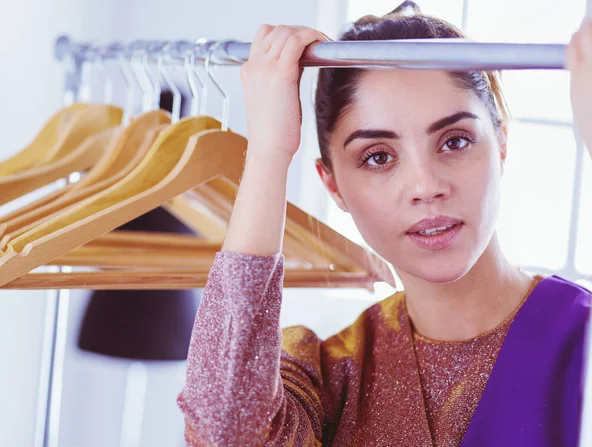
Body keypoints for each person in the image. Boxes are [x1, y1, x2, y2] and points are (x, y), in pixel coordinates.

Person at [177, 2, 592, 446]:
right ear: (332, 185)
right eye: (378, 157)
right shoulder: (330, 377)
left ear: (501, 143)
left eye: (454, 141)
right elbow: (224, 427)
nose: (425, 186)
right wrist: (268, 150)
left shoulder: (581, 339)